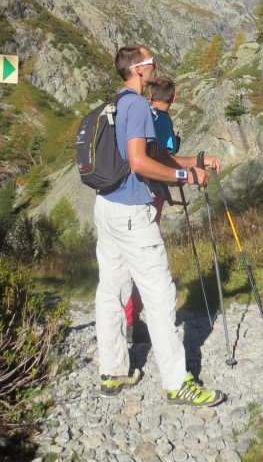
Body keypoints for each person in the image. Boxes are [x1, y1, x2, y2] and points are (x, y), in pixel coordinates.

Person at [95, 45, 226, 406]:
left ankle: (113, 372)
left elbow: (155, 156)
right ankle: (176, 383)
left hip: (106, 206)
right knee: (160, 295)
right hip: (133, 211)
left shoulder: (117, 103)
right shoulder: (138, 105)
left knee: (111, 290)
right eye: (151, 62)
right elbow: (139, 162)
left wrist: (193, 163)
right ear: (138, 70)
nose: (155, 66)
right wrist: (185, 174)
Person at [123, 75, 181, 342]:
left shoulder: (140, 111)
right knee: (145, 257)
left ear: (150, 96)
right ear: (173, 97)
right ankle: (133, 319)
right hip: (152, 191)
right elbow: (166, 157)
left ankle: (125, 316)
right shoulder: (165, 120)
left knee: (126, 257)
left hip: (127, 190)